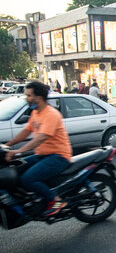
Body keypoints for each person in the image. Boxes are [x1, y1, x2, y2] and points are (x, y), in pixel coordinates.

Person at [4, 81, 72, 216]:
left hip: (58, 156)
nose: (26, 98)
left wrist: (18, 151)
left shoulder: (51, 114)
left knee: (28, 179)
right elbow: (25, 132)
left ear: (38, 98)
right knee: (15, 170)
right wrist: (7, 145)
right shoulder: (36, 112)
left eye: (29, 96)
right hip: (42, 155)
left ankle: (56, 200)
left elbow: (41, 138)